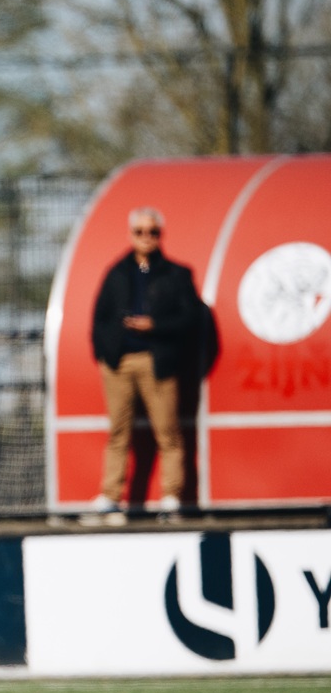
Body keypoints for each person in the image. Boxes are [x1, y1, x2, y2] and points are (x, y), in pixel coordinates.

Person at [85, 206, 209, 524]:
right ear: (131, 234)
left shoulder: (177, 275)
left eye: (152, 232)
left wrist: (154, 325)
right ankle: (111, 500)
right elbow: (99, 319)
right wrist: (105, 353)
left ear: (160, 235)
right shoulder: (116, 272)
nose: (146, 238)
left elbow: (191, 318)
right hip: (119, 363)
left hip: (157, 362)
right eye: (140, 232)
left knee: (167, 433)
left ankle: (171, 500)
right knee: (118, 433)